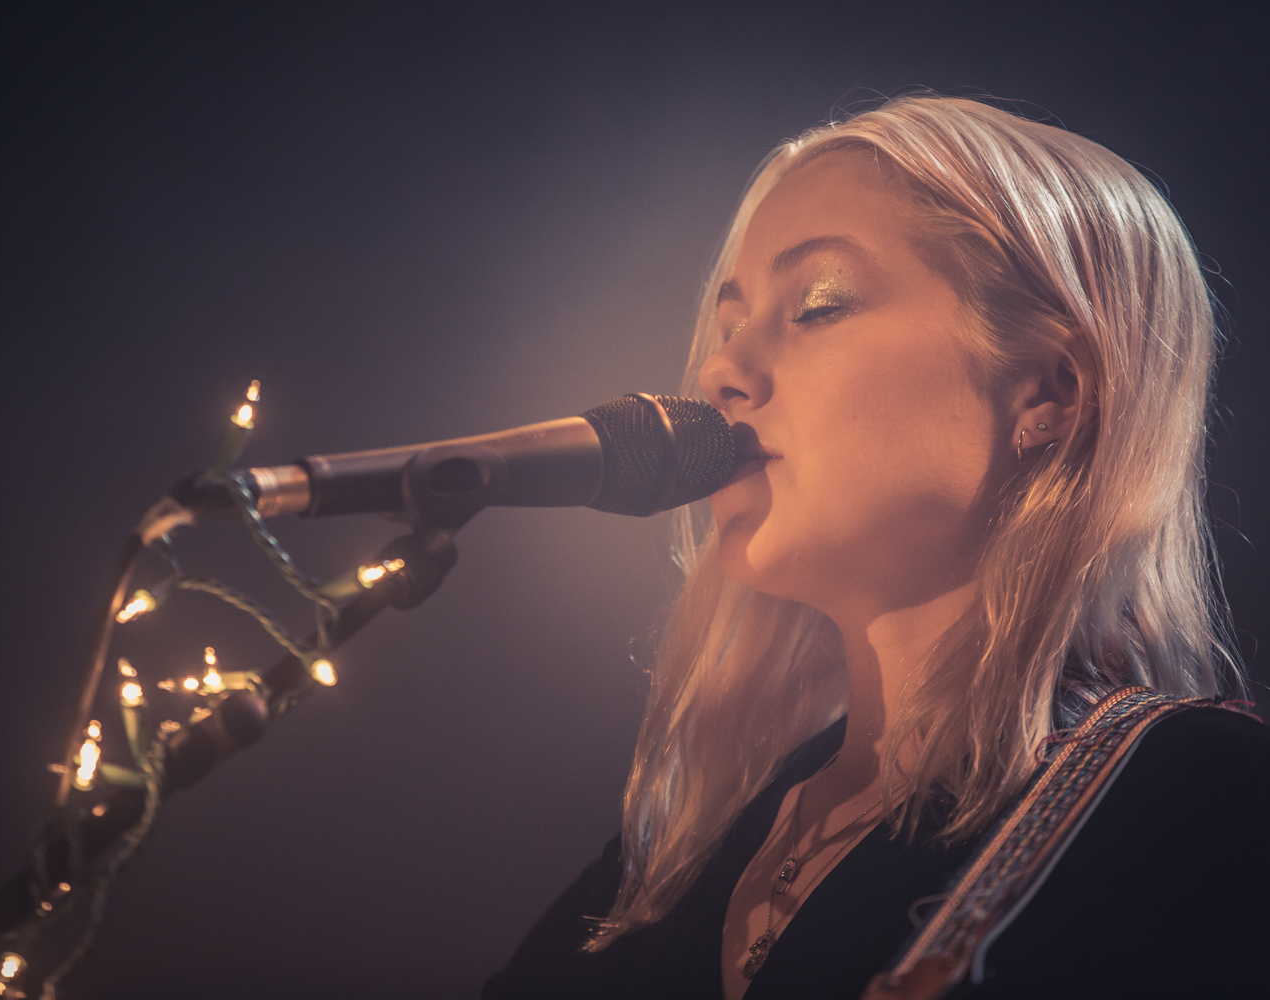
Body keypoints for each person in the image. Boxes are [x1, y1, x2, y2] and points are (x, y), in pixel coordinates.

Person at [481, 95, 1268, 999]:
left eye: (816, 304)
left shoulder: (1194, 803)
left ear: (1051, 391)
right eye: (732, 323)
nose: (720, 370)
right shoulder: (674, 853)